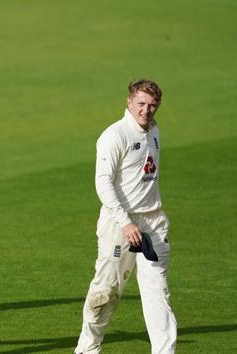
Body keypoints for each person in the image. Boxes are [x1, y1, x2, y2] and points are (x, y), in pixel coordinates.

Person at [74, 79, 177, 353]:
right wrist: (125, 221)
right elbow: (103, 183)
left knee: (158, 292)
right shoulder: (114, 135)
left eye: (153, 105)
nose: (147, 110)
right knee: (106, 292)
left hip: (153, 222)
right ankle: (87, 348)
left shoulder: (154, 132)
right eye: (141, 104)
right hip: (119, 223)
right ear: (129, 102)